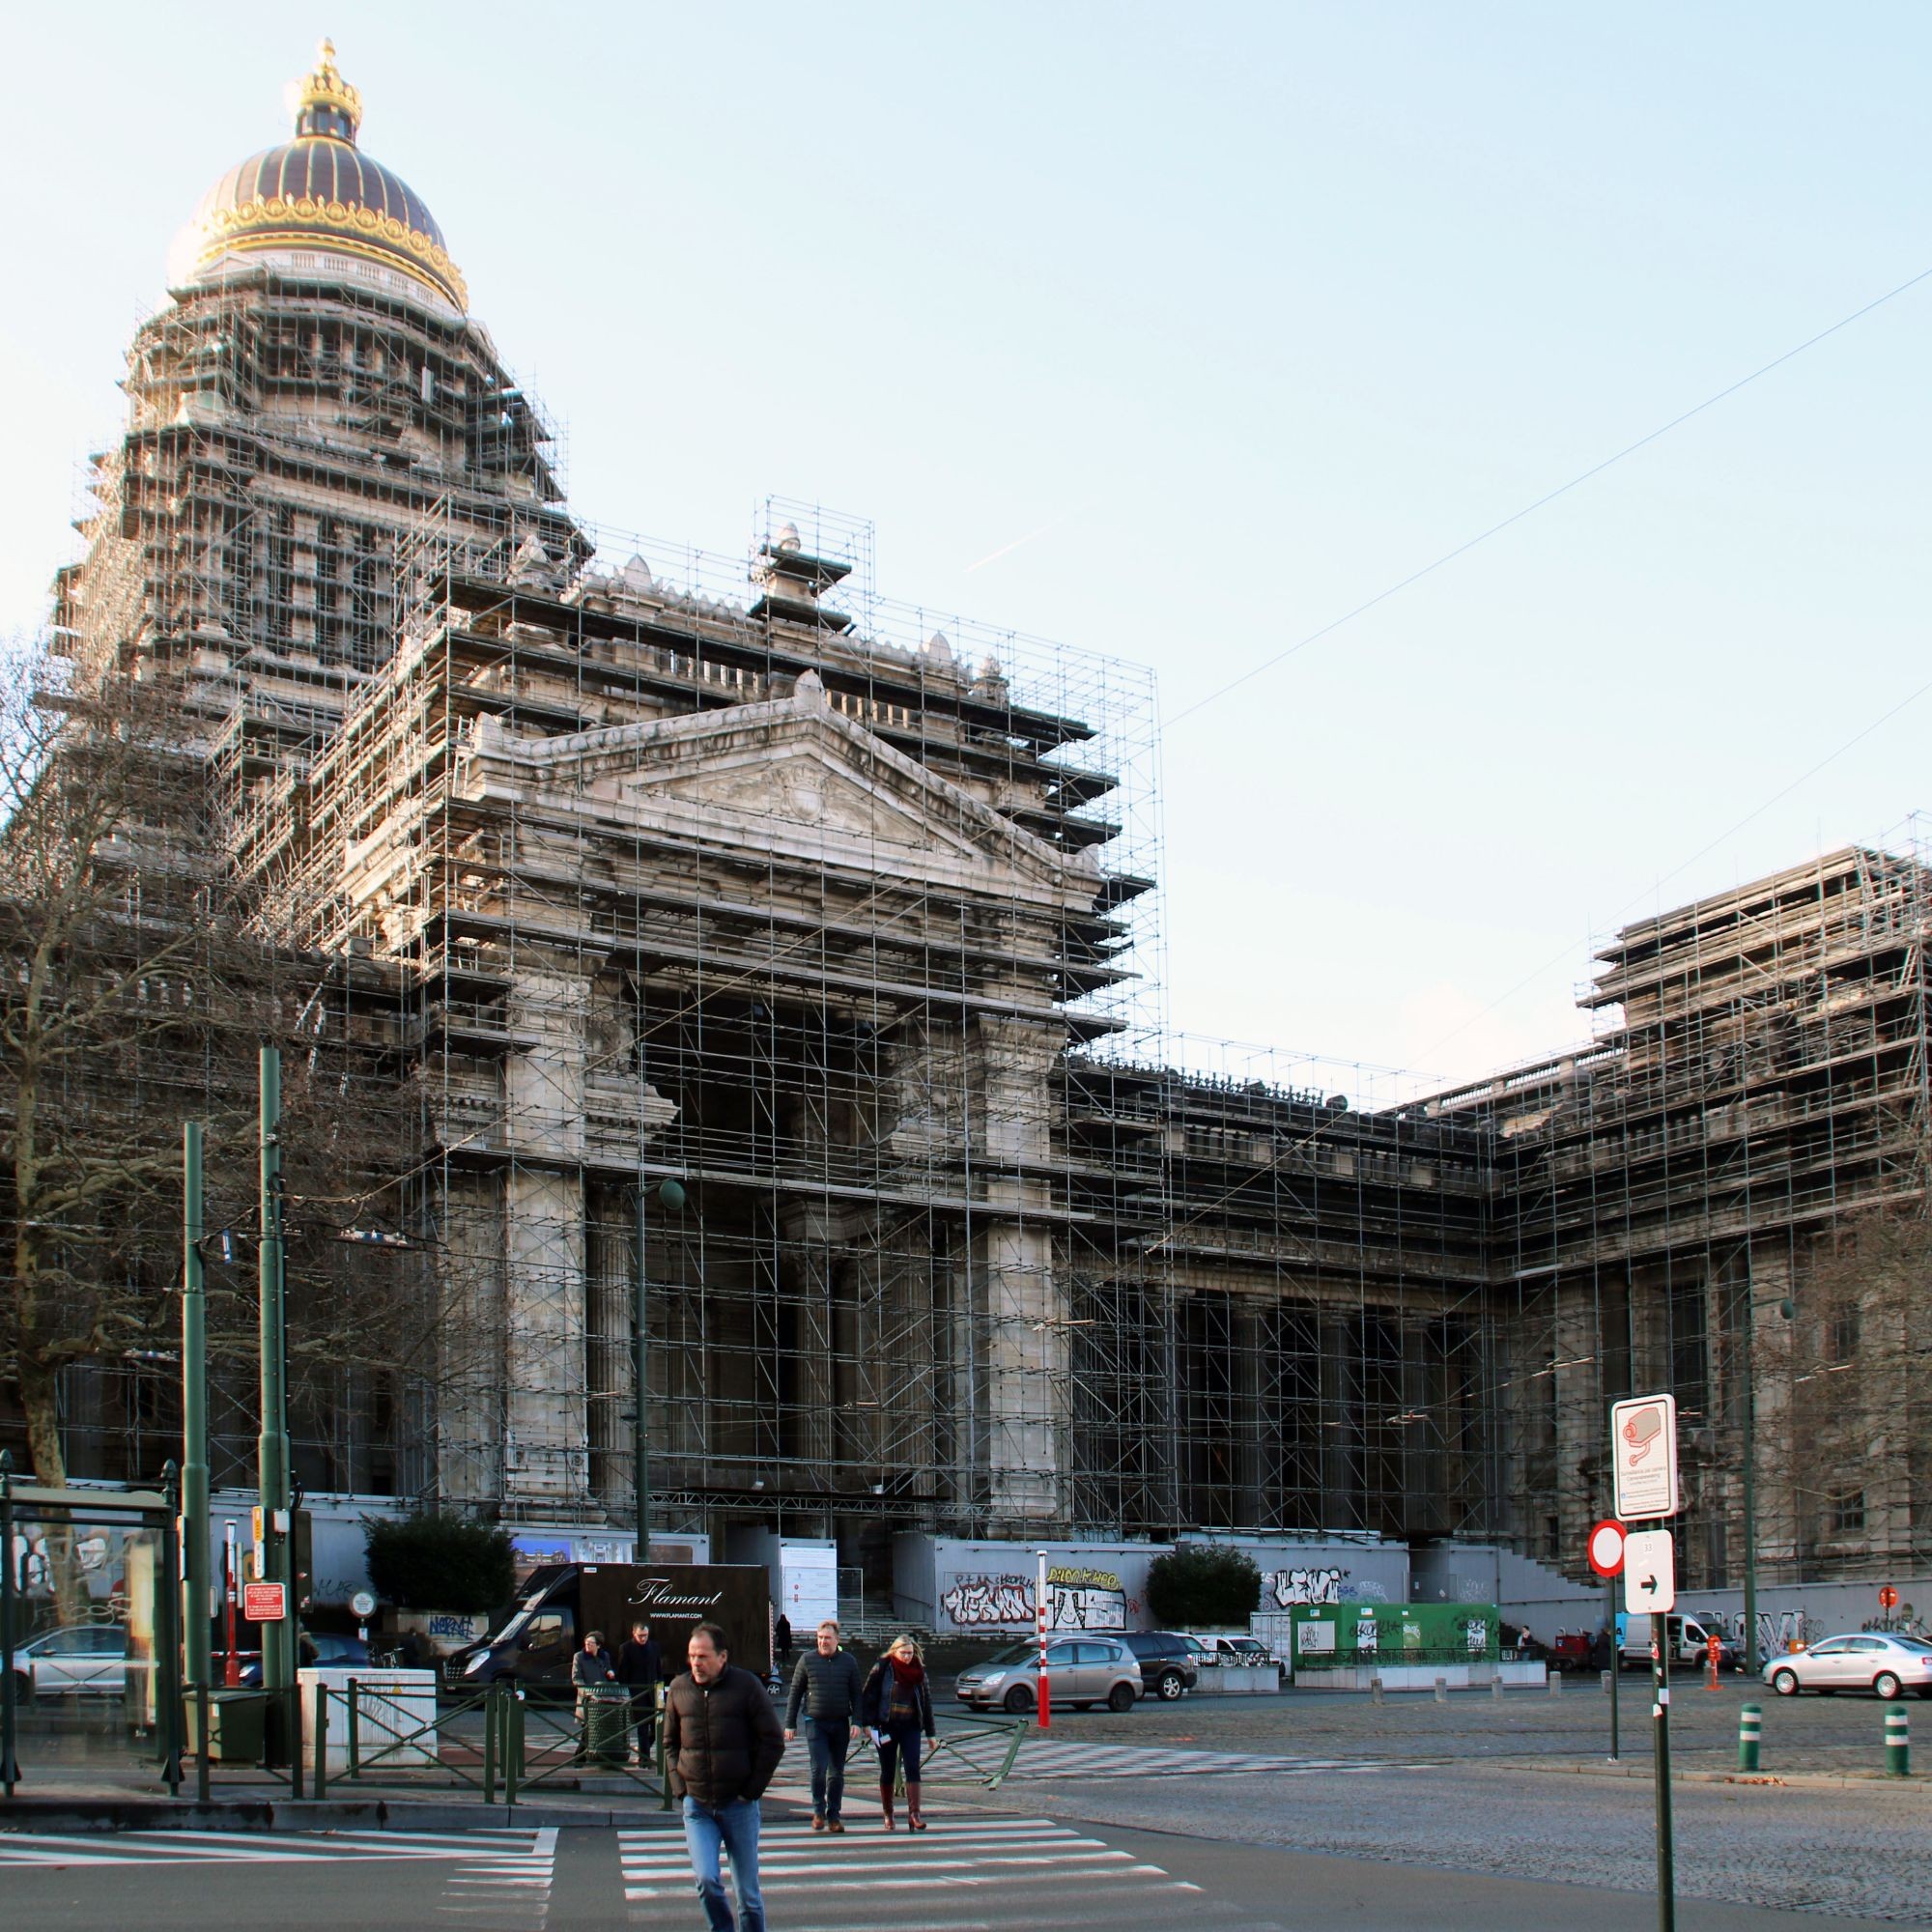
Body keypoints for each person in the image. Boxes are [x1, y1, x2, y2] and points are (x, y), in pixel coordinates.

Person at [664, 1621, 785, 1932]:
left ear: (722, 1657)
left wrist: (752, 1790)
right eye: (692, 1655)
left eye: (703, 1656)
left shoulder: (746, 1686)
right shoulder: (679, 1688)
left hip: (739, 1805)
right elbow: (669, 1743)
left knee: (748, 1896)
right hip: (698, 1805)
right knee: (706, 1879)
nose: (696, 1663)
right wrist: (681, 1789)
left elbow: (773, 1740)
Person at [783, 1618, 864, 1833]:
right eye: (819, 1638)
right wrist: (790, 1723)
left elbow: (857, 1694)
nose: (823, 1642)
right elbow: (795, 1692)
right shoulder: (807, 1660)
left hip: (840, 1723)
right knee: (818, 1769)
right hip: (815, 1722)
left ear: (837, 1639)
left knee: (836, 1773)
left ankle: (834, 1815)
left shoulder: (848, 1662)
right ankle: (818, 1810)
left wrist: (857, 1721)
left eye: (827, 1638)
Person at [861, 1632, 936, 1832]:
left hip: (910, 1726)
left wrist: (930, 1734)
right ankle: (888, 1814)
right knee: (887, 1770)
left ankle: (914, 1814)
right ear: (894, 1651)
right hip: (886, 1725)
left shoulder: (918, 1672)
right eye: (903, 1653)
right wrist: (866, 1724)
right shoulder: (883, 1667)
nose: (907, 1657)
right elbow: (868, 1696)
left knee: (913, 1767)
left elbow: (926, 1703)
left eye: (910, 1653)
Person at [617, 1618, 666, 1766]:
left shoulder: (654, 1646)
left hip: (653, 1692)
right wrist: (626, 1693)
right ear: (633, 1633)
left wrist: (661, 1691)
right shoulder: (626, 1648)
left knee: (657, 1728)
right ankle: (644, 1760)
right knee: (642, 1728)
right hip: (636, 1693)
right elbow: (623, 1673)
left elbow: (658, 1670)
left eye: (645, 1635)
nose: (643, 1638)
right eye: (640, 1636)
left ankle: (643, 1752)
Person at [573, 1630, 616, 1760]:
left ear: (598, 1645)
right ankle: (578, 1759)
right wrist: (588, 1693)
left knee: (598, 1731)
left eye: (591, 1643)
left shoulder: (604, 1656)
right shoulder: (579, 1657)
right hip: (587, 1699)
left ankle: (585, 1758)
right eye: (587, 1643)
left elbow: (608, 1670)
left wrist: (610, 1673)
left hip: (603, 1699)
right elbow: (576, 1678)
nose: (588, 1645)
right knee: (587, 1731)